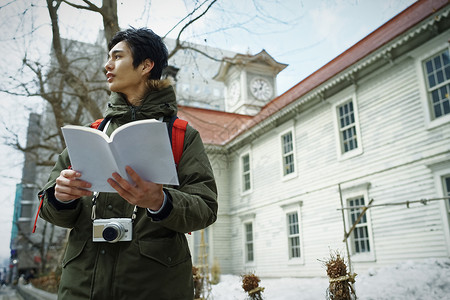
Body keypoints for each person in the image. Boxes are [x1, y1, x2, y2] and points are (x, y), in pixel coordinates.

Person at [38, 27, 218, 300]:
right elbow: (51, 210)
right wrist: (60, 197)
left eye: (117, 57)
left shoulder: (181, 136)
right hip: (81, 287)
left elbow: (205, 208)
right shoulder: (90, 134)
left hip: (155, 288)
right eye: (108, 57)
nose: (107, 66)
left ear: (146, 65)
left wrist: (160, 201)